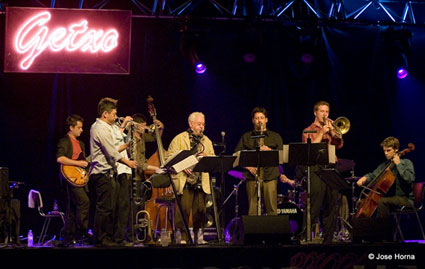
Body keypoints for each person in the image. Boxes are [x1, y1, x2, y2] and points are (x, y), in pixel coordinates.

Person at [88, 97, 137, 247]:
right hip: (102, 174)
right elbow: (111, 152)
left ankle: (107, 237)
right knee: (104, 208)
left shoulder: (106, 128)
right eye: (113, 114)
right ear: (105, 114)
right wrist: (128, 162)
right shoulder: (99, 128)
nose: (115, 117)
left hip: (109, 173)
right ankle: (101, 238)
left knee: (110, 208)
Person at [167, 112, 215, 244]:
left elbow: (213, 161)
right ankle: (182, 238)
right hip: (185, 180)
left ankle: (199, 237)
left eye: (203, 124)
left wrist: (207, 158)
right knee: (183, 210)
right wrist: (183, 166)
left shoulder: (207, 141)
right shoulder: (179, 139)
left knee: (201, 211)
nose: (202, 127)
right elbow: (169, 158)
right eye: (199, 124)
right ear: (191, 124)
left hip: (201, 181)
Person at [300, 101, 343, 244]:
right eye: (322, 111)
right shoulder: (308, 130)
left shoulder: (331, 128)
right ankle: (305, 236)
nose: (325, 114)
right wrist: (322, 132)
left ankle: (328, 240)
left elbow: (339, 144)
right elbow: (310, 149)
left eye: (327, 112)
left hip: (330, 168)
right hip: (316, 169)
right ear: (315, 112)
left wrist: (333, 132)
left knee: (331, 205)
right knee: (315, 205)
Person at [235, 107, 283, 216]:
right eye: (257, 118)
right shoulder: (246, 137)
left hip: (270, 175)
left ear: (266, 120)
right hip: (252, 176)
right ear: (253, 120)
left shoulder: (275, 137)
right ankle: (253, 232)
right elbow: (237, 156)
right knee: (252, 209)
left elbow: (281, 156)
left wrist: (270, 151)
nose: (259, 121)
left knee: (271, 208)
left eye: (262, 118)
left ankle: (272, 232)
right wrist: (249, 167)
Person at [356, 136, 415, 217]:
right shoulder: (385, 165)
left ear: (396, 149)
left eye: (388, 150)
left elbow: (410, 179)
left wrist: (399, 164)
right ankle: (367, 228)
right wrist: (365, 178)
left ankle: (382, 229)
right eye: (384, 151)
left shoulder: (406, 163)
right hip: (391, 198)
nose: (386, 153)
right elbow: (373, 176)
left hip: (405, 199)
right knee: (361, 202)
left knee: (381, 201)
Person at [56, 114, 91, 246]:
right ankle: (82, 231)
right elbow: (60, 158)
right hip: (69, 177)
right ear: (71, 128)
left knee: (72, 208)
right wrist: (78, 164)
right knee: (84, 202)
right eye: (79, 127)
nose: (81, 130)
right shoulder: (64, 141)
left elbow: (83, 161)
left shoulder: (81, 143)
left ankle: (69, 235)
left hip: (79, 178)